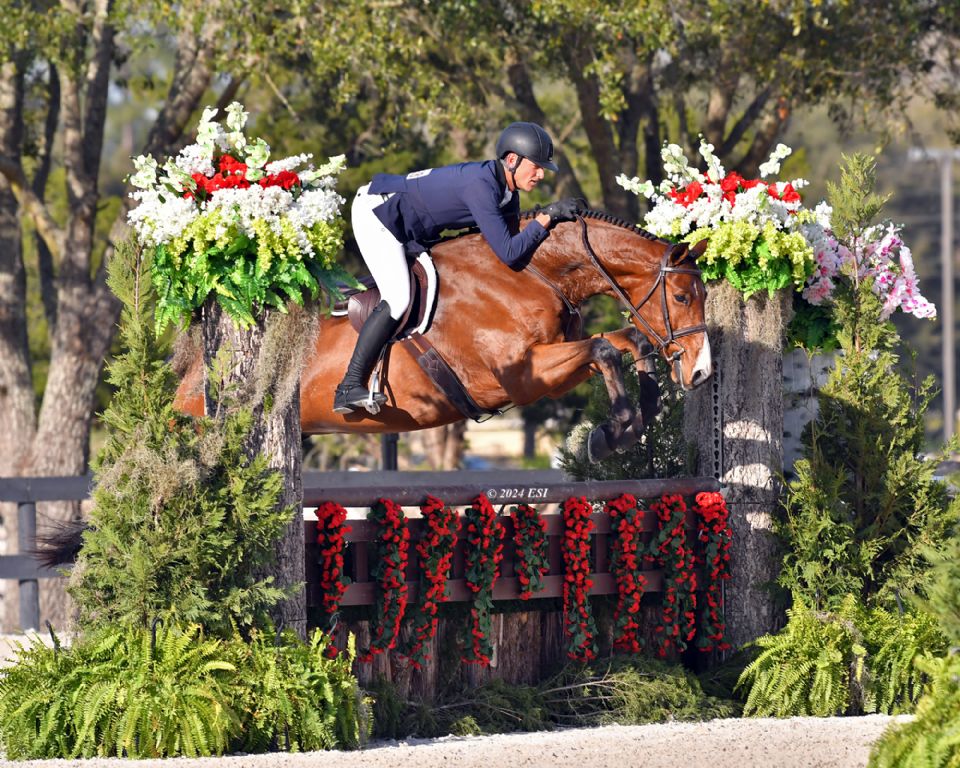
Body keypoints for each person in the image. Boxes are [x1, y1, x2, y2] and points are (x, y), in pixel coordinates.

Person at [333, 121, 580, 414]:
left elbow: (509, 248)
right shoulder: (482, 186)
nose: (540, 174)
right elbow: (510, 252)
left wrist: (549, 223)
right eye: (536, 166)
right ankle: (348, 386)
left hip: (408, 223)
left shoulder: (507, 192)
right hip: (379, 214)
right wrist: (546, 217)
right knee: (398, 298)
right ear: (512, 160)